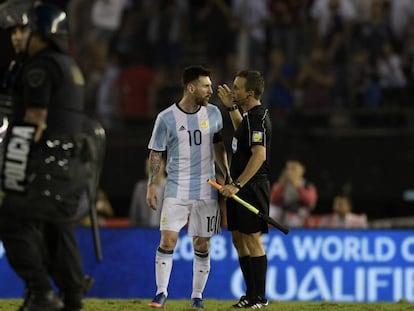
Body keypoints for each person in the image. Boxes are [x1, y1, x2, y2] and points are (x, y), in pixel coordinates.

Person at [0, 2, 97, 310]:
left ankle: (40, 290)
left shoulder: (39, 66)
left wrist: (12, 165)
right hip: (73, 164)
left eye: (23, 30)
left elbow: (35, 122)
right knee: (57, 227)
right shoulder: (67, 65)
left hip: (48, 164)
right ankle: (72, 295)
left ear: (42, 32)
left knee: (12, 221)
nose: (16, 37)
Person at [146, 65, 230, 309]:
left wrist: (227, 173)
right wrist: (152, 184)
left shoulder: (214, 113)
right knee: (168, 239)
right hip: (176, 187)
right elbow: (156, 153)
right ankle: (161, 292)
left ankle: (197, 297)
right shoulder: (165, 118)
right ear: (191, 88)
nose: (210, 90)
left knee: (202, 244)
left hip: (207, 189)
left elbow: (218, 145)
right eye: (206, 86)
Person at [217, 70, 271, 308]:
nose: (233, 90)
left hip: (250, 186)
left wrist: (238, 185)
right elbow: (242, 132)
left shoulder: (258, 118)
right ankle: (250, 295)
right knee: (239, 239)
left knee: (252, 240)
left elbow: (259, 155)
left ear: (249, 93)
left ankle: (259, 298)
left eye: (237, 88)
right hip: (237, 186)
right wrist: (231, 107)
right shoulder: (249, 118)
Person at [270, 159, 318, 228]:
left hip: (300, 216)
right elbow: (273, 200)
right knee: (271, 210)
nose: (290, 171)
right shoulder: (281, 184)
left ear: (302, 169)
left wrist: (297, 185)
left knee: (299, 215)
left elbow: (310, 203)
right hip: (283, 215)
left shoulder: (307, 185)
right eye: (288, 168)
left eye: (294, 168)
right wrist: (281, 185)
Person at [129, 158, 166, 227]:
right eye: (148, 166)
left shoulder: (171, 187)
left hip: (167, 232)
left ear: (163, 166)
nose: (150, 169)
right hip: (144, 232)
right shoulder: (140, 187)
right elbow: (134, 214)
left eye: (153, 165)